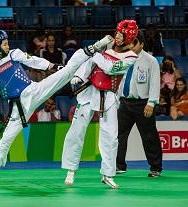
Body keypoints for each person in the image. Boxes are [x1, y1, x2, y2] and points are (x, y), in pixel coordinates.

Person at [0, 29, 113, 189]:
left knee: (67, 71)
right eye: (4, 43)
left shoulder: (13, 54)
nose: (8, 45)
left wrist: (50, 66)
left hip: (34, 91)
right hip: (18, 108)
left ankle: (97, 45)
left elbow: (33, 60)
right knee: (6, 139)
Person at [62, 20, 139, 189]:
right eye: (117, 33)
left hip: (109, 97)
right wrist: (79, 76)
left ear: (129, 38)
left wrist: (95, 51)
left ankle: (108, 174)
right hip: (89, 92)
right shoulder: (106, 46)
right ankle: (70, 170)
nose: (117, 36)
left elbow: (110, 68)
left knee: (111, 137)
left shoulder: (131, 57)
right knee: (76, 131)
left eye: (122, 34)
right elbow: (89, 63)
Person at [116, 31, 163, 178]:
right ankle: (119, 165)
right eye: (129, 42)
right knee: (119, 136)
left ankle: (155, 167)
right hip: (124, 102)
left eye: (133, 42)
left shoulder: (150, 61)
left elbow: (155, 83)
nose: (130, 45)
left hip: (143, 103)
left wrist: (151, 102)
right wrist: (117, 99)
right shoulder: (123, 57)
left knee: (149, 136)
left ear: (141, 44)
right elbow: (120, 80)